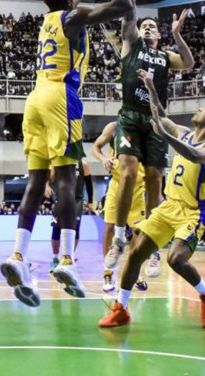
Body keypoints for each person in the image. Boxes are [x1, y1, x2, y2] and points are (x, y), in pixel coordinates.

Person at [0, 0, 132, 307]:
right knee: (67, 182)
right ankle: (68, 260)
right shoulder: (75, 17)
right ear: (70, 3)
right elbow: (123, 3)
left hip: (35, 99)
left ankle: (18, 256)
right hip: (61, 96)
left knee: (35, 182)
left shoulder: (49, 19)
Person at [99, 69, 205, 329]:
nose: (201, 107)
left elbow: (194, 155)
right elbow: (160, 115)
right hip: (168, 206)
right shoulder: (183, 131)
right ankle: (121, 308)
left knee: (175, 259)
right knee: (135, 254)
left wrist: (164, 136)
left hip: (193, 212)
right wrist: (150, 86)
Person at [104, 0, 195, 272]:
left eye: (152, 27)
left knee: (155, 178)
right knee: (128, 171)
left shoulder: (165, 56)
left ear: (158, 34)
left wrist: (176, 34)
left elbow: (188, 62)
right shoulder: (131, 44)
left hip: (157, 121)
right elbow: (128, 7)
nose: (146, 28)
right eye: (144, 26)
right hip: (129, 115)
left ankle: (152, 248)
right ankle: (118, 237)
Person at [90, 121, 152, 293]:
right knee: (110, 228)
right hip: (117, 185)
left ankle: (134, 270)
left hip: (138, 189)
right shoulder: (114, 127)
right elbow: (95, 147)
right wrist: (103, 158)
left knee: (137, 233)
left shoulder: (148, 128)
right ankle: (108, 272)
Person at [48, 160, 93, 273]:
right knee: (56, 229)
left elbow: (89, 184)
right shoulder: (59, 161)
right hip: (60, 198)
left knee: (75, 229)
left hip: (77, 200)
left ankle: (69, 258)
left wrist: (91, 201)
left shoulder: (84, 164)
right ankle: (55, 259)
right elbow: (49, 178)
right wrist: (46, 185)